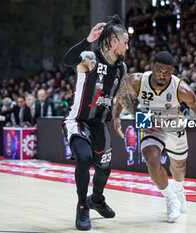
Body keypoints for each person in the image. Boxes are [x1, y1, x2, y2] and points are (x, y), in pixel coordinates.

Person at [113, 51, 196, 223]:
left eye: (168, 72)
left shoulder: (181, 89)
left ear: (173, 71)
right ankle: (170, 198)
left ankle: (179, 190)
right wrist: (117, 117)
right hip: (149, 121)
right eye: (159, 71)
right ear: (152, 67)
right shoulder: (136, 80)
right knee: (151, 159)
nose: (163, 75)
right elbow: (122, 95)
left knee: (178, 166)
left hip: (174, 124)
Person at [62, 15, 129, 230]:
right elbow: (68, 59)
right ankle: (82, 206)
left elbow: (118, 96)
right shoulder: (90, 58)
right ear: (113, 42)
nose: (128, 47)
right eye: (125, 42)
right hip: (79, 120)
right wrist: (87, 39)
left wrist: (117, 118)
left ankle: (96, 199)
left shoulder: (122, 68)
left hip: (100, 124)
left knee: (104, 167)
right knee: (84, 157)